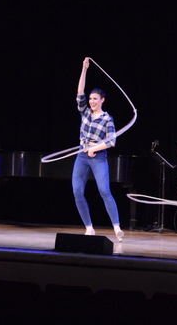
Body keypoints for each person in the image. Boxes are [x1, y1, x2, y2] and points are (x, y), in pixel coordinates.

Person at [72, 57, 125, 242]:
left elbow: (111, 141)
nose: (92, 101)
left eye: (95, 99)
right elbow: (80, 91)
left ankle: (116, 227)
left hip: (98, 156)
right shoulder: (85, 112)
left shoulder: (107, 119)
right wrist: (84, 70)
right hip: (82, 154)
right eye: (91, 99)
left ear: (102, 100)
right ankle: (89, 227)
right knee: (77, 191)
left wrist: (95, 147)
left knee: (104, 191)